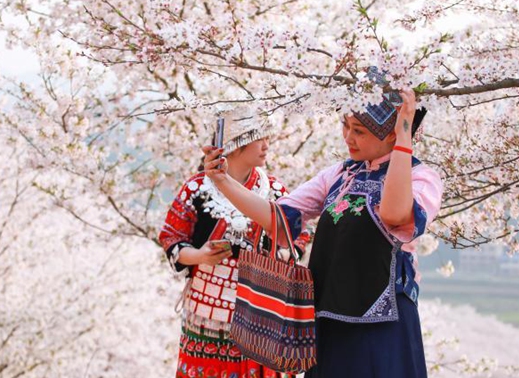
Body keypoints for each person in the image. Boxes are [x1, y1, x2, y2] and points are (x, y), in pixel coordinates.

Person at [202, 76, 444, 377]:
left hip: (384, 324)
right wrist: (222, 180)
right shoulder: (340, 175)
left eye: (359, 131)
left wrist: (404, 134)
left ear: (392, 134)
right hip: (328, 320)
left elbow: (395, 215)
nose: (348, 138)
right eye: (346, 127)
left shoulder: (422, 178)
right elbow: (279, 217)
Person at [159, 111, 313, 378]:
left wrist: (273, 256)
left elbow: (299, 235)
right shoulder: (196, 189)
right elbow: (171, 238)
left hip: (262, 303)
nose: (267, 146)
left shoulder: (275, 190)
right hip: (208, 308)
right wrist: (200, 256)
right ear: (237, 144)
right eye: (259, 139)